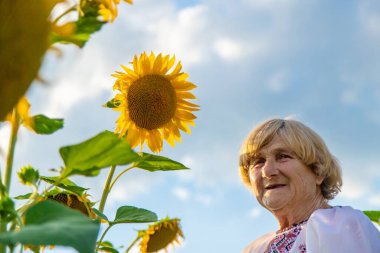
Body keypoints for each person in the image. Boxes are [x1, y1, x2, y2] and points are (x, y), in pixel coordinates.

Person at [239, 118, 380, 253]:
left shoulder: (341, 224)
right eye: (258, 161)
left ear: (318, 172)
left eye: (283, 156)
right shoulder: (254, 248)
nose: (267, 171)